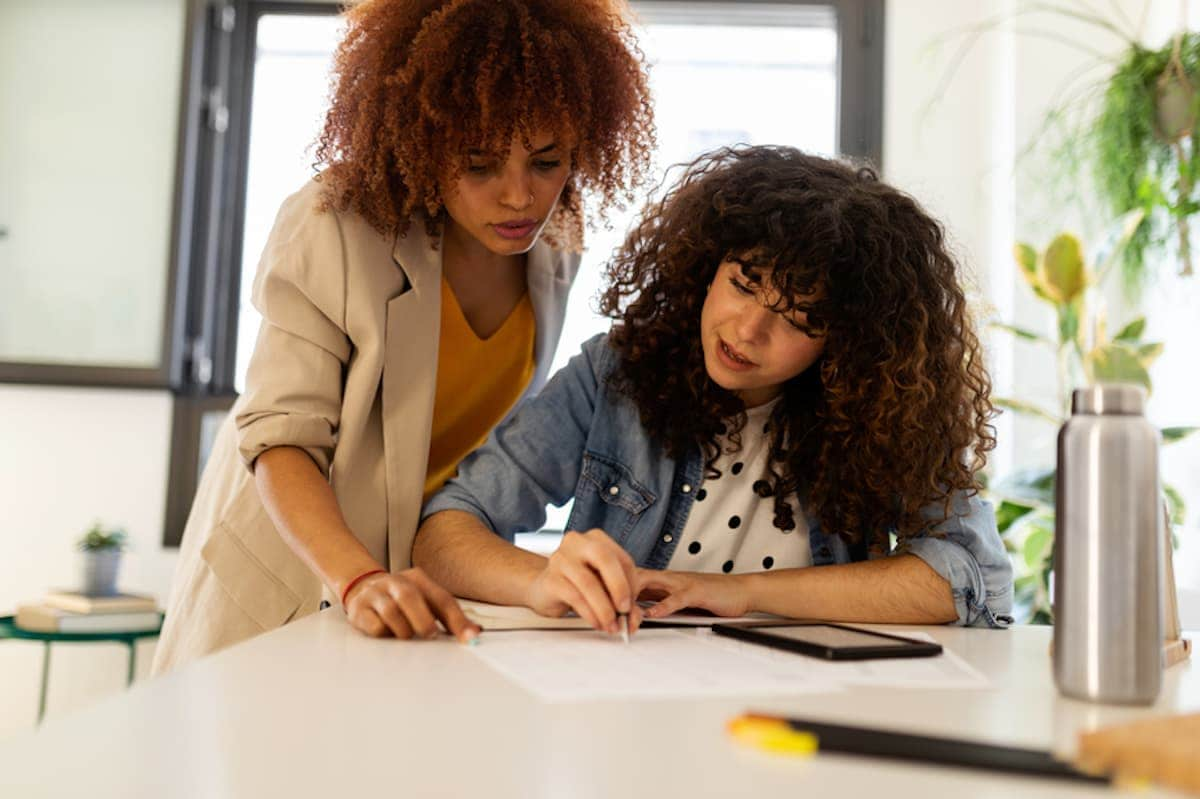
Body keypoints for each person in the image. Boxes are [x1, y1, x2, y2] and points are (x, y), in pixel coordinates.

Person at [153, 0, 655, 673]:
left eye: (546, 160)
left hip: (417, 589)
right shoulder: (334, 224)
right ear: (423, 140)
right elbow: (280, 440)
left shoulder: (556, 242)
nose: (519, 198)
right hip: (295, 577)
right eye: (479, 164)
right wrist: (358, 578)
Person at [413, 145, 1013, 635]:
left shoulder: (880, 411)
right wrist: (539, 580)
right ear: (706, 267)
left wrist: (738, 593)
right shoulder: (614, 375)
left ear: (850, 342)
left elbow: (964, 572)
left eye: (799, 318)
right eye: (743, 284)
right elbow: (447, 529)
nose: (748, 330)